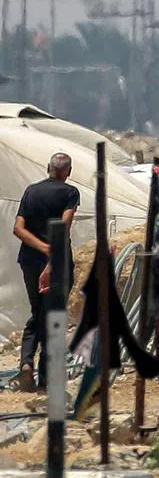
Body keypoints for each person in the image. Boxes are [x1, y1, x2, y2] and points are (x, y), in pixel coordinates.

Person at [12, 153, 80, 392]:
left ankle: (26, 363)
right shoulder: (70, 193)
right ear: (68, 172)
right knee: (55, 315)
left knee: (37, 311)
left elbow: (18, 229)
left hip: (29, 260)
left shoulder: (31, 191)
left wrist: (40, 248)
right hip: (57, 264)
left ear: (47, 167)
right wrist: (51, 258)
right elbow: (63, 228)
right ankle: (46, 377)